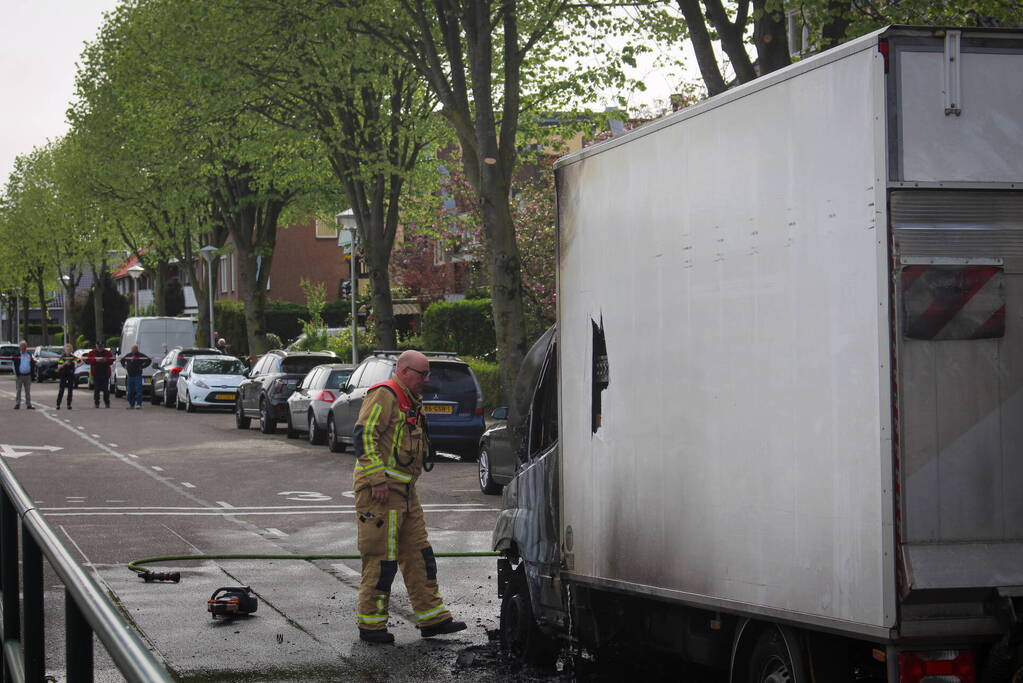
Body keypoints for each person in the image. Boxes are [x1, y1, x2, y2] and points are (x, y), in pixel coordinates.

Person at [352, 350, 466, 644]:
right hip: (381, 493)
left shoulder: (410, 400)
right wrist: (377, 479)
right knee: (381, 559)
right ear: (403, 371)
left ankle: (432, 618)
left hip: (404, 492)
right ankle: (372, 625)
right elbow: (365, 436)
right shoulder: (384, 395)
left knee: (419, 554)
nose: (426, 380)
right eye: (422, 374)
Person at [119, 344, 151, 409]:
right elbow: (122, 360)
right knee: (130, 391)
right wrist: (125, 366)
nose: (133, 350)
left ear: (137, 349)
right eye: (132, 349)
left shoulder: (140, 355)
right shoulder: (129, 355)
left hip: (138, 375)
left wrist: (142, 366)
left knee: (138, 390)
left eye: (134, 349)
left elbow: (149, 360)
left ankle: (138, 404)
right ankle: (131, 404)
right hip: (130, 375)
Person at [86, 342, 114, 408]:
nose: (100, 348)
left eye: (101, 346)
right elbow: (87, 361)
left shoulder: (107, 352)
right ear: (96, 346)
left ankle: (107, 403)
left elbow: (112, 360)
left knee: (106, 390)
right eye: (98, 346)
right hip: (96, 374)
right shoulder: (92, 352)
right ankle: (96, 403)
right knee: (96, 390)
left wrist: (106, 360)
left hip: (105, 373)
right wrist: (95, 360)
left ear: (103, 346)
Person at [12, 340, 35, 410]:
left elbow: (32, 364)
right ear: (20, 347)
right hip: (20, 376)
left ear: (26, 347)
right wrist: (16, 373)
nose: (23, 348)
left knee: (27, 391)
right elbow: (14, 364)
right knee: (18, 390)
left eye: (24, 346)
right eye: (22, 346)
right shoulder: (17, 355)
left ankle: (28, 404)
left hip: (28, 375)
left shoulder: (29, 355)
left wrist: (32, 374)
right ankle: (17, 404)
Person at [56, 343, 78, 410]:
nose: (68, 351)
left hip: (70, 374)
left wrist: (76, 366)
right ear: (65, 350)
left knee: (70, 390)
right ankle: (58, 404)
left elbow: (81, 361)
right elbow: (58, 367)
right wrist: (64, 364)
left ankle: (69, 404)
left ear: (71, 350)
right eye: (67, 349)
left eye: (69, 349)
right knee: (61, 390)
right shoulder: (63, 357)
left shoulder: (72, 357)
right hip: (63, 374)